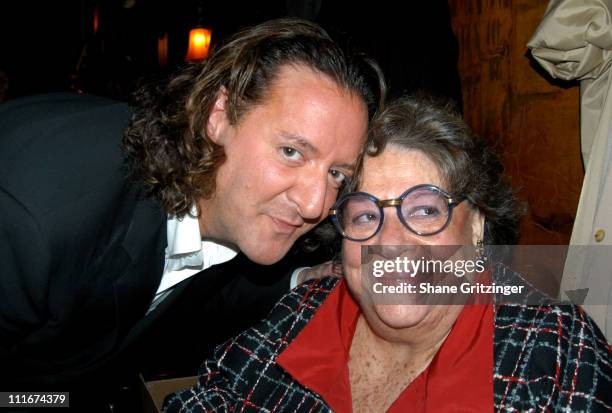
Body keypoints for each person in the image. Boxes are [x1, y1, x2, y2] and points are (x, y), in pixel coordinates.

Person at [0, 18, 384, 407]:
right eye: (291, 152)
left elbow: (205, 283)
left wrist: (306, 276)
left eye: (337, 174)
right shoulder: (30, 218)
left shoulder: (217, 202)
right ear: (218, 115)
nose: (315, 203)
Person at [164, 95, 611, 412]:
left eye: (423, 209)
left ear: (476, 226)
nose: (391, 240)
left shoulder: (555, 348)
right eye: (363, 215)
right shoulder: (302, 314)